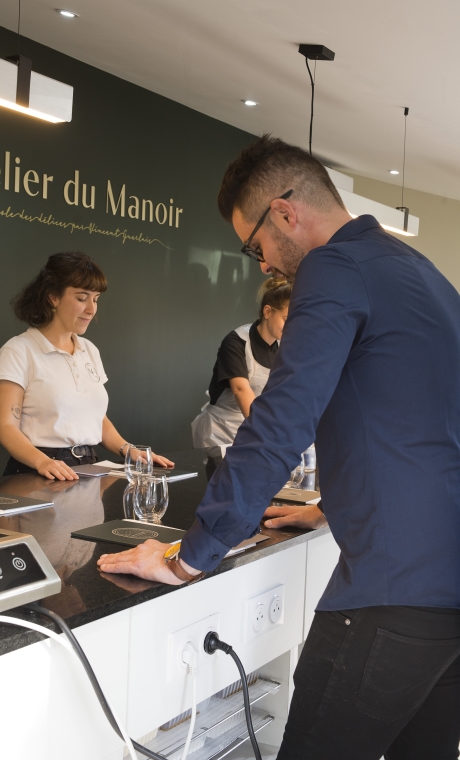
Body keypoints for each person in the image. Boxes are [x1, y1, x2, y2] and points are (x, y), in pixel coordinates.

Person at [98, 135, 460, 760]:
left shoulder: (334, 267)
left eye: (254, 245)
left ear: (285, 212)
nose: (262, 264)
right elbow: (423, 420)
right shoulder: (420, 271)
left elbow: (283, 417)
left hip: (394, 586)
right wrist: (330, 505)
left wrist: (191, 555)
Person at [0, 251, 173, 480]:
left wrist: (130, 451)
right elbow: (7, 428)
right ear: (53, 298)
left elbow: (97, 418)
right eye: (81, 298)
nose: (91, 309)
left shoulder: (89, 349)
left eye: (95, 299)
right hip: (37, 471)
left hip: (88, 468)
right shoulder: (18, 350)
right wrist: (43, 462)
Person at [191, 278, 291, 448]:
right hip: (221, 430)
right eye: (286, 318)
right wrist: (264, 433)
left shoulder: (283, 347)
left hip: (255, 425)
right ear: (267, 312)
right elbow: (240, 389)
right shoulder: (236, 342)